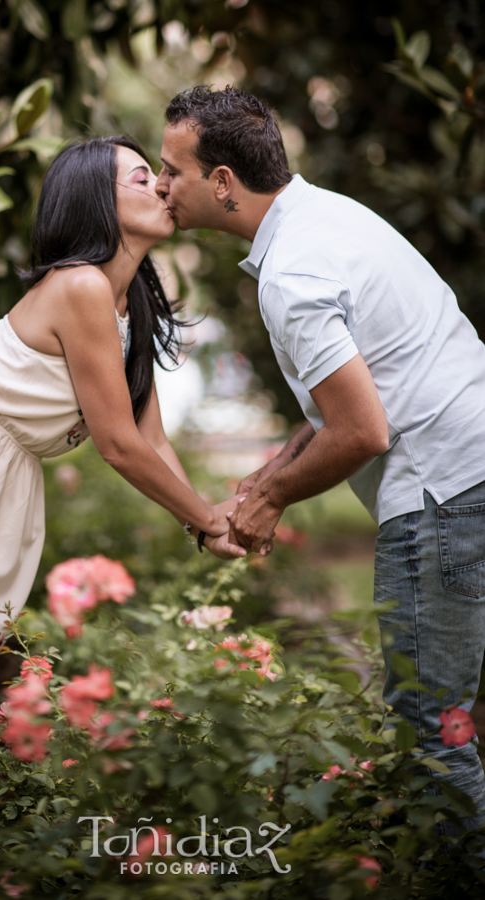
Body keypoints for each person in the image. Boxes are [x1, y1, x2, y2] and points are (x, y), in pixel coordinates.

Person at [0, 135, 247, 830]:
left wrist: (212, 520)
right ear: (95, 202)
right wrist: (205, 520)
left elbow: (151, 438)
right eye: (142, 177)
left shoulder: (131, 298)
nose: (163, 187)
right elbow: (115, 445)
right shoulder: (80, 285)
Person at [156, 85, 485, 839]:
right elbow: (358, 398)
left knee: (429, 730)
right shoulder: (324, 217)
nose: (161, 185)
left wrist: (267, 502)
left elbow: (361, 431)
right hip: (468, 470)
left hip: (439, 494)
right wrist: (270, 473)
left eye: (171, 169)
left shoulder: (293, 274)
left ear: (221, 182)